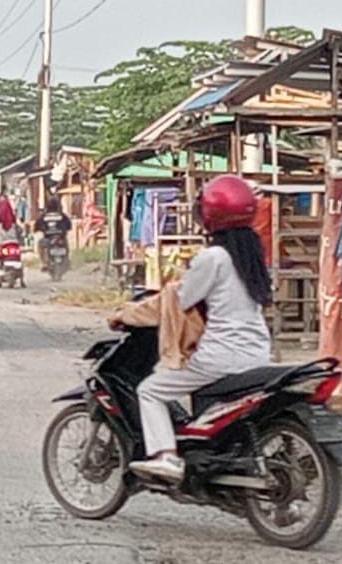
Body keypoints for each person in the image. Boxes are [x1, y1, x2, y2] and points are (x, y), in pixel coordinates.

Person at [113, 174, 272, 483]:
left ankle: (165, 457)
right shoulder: (252, 255)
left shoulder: (213, 258)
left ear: (208, 214)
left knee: (149, 391)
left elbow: (180, 299)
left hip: (220, 356)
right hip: (256, 353)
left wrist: (127, 314)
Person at [34, 197, 72, 269]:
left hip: (48, 238)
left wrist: (39, 230)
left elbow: (37, 226)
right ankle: (66, 260)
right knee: (66, 243)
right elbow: (69, 226)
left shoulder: (43, 216)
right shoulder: (62, 216)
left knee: (41, 245)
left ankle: (44, 263)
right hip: (61, 238)